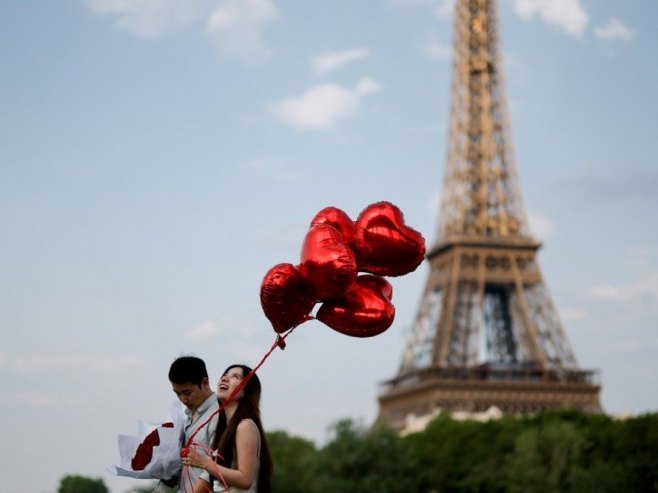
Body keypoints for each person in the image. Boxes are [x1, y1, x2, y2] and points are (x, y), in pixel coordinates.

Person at [183, 364, 273, 493]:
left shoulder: (245, 426)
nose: (225, 378)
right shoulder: (225, 430)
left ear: (245, 391)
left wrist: (204, 463)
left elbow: (245, 479)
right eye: (224, 375)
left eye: (235, 376)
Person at [161, 355, 220, 493]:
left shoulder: (218, 415)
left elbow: (216, 469)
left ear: (204, 383)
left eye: (187, 393)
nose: (183, 399)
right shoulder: (189, 416)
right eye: (178, 394)